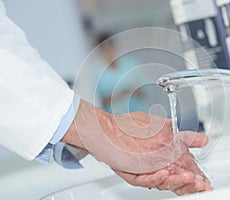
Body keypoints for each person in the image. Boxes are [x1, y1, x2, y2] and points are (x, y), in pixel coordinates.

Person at [0, 1, 212, 195]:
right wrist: (103, 130)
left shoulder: (128, 64)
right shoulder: (97, 70)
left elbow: (8, 43)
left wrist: (94, 137)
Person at [91, 33, 147, 114]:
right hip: (115, 116)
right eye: (104, 49)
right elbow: (98, 101)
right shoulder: (95, 72)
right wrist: (116, 95)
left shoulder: (130, 63)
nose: (108, 52)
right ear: (100, 51)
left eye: (110, 48)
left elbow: (145, 90)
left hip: (138, 111)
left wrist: (133, 90)